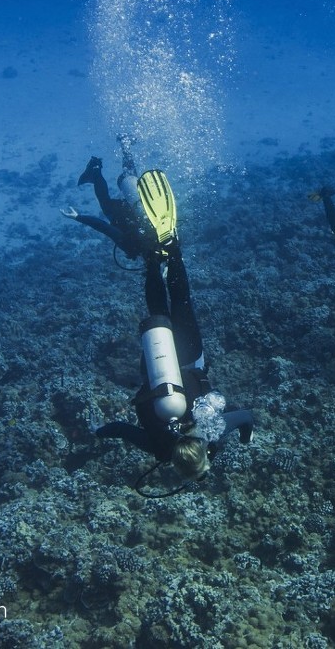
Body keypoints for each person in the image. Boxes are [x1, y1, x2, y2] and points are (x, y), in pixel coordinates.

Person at [92, 169, 253, 495]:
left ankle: (172, 249)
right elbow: (119, 430)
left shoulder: (213, 431)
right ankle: (153, 261)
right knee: (157, 311)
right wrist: (96, 431)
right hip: (157, 361)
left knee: (181, 301)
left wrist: (247, 437)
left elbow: (247, 416)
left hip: (191, 356)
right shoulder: (158, 448)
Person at [61, 137, 150, 262]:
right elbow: (104, 227)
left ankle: (126, 143)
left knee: (130, 177)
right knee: (104, 201)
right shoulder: (132, 247)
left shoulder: (166, 242)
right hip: (118, 214)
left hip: (137, 207)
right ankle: (96, 169)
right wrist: (77, 217)